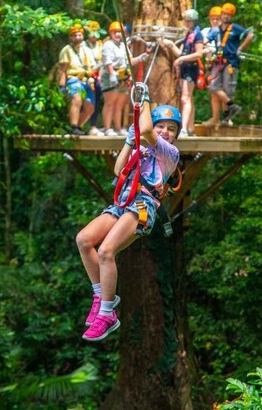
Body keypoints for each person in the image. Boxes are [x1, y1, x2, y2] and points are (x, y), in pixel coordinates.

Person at [75, 85, 181, 341]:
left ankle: (108, 313)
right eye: (161, 127)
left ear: (176, 135)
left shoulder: (170, 153)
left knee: (106, 251)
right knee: (84, 240)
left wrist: (143, 100)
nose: (165, 132)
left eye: (171, 129)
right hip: (122, 204)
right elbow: (119, 170)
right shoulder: (142, 147)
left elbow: (145, 129)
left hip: (142, 207)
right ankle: (100, 295)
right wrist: (128, 141)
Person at [206, 3, 254, 125]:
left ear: (231, 16)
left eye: (228, 14)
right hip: (219, 62)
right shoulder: (216, 30)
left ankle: (226, 117)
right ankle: (232, 107)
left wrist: (241, 48)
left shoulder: (235, 28)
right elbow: (205, 40)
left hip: (231, 63)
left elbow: (250, 34)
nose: (225, 16)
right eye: (224, 14)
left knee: (228, 91)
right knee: (213, 86)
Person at [100, 21, 146, 136]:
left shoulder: (123, 45)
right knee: (110, 102)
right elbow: (108, 62)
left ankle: (118, 128)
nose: (117, 35)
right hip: (111, 75)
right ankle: (107, 128)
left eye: (119, 32)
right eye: (115, 32)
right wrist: (112, 75)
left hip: (123, 76)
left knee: (119, 104)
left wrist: (140, 58)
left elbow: (129, 61)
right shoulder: (108, 45)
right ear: (110, 33)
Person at [58, 23, 97, 135]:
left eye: (79, 35)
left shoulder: (86, 50)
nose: (77, 37)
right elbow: (63, 70)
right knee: (77, 99)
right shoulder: (67, 50)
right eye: (75, 35)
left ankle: (79, 126)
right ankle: (74, 126)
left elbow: (92, 67)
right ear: (71, 37)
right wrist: (62, 85)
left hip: (86, 80)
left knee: (90, 106)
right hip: (73, 79)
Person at [172, 9, 205, 137]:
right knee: (187, 98)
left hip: (191, 68)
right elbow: (183, 53)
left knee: (185, 98)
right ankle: (190, 128)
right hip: (184, 68)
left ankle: (184, 128)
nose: (185, 22)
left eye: (187, 21)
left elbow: (198, 54)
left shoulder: (198, 34)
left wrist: (181, 59)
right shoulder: (188, 34)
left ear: (192, 21)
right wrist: (171, 46)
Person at [84, 21, 105, 136]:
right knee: (89, 103)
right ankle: (86, 126)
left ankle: (94, 126)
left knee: (97, 102)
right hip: (87, 77)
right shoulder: (83, 46)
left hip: (99, 78)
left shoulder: (101, 45)